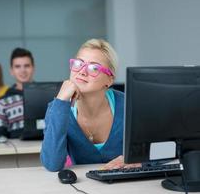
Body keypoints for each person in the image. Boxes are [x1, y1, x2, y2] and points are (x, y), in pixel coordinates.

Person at [41, 39, 140, 172]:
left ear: (109, 80)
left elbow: (161, 151)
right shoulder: (57, 108)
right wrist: (61, 101)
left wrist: (139, 160)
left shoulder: (129, 105)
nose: (81, 72)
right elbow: (52, 164)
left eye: (93, 68)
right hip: (83, 187)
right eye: (78, 63)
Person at [0, 48, 35, 139]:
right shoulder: (1, 102)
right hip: (17, 151)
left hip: (46, 150)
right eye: (17, 66)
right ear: (11, 71)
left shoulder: (49, 97)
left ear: (33, 68)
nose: (23, 70)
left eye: (27, 66)